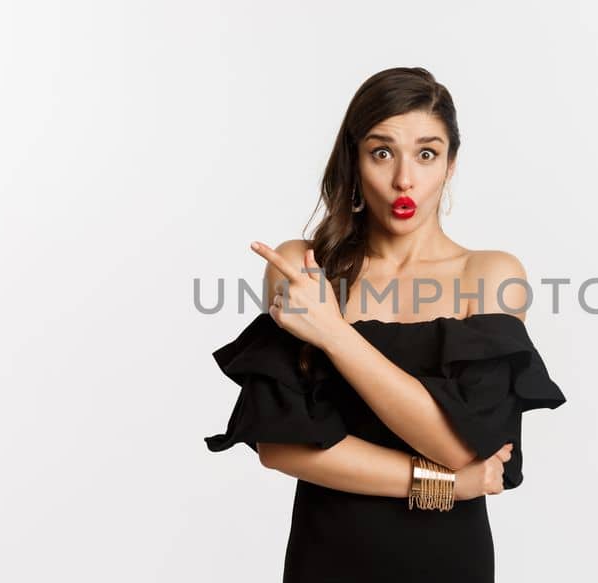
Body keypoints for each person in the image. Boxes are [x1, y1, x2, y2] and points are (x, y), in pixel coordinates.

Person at [204, 67, 567, 582]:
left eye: (426, 153)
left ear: (450, 164)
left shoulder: (489, 273)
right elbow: (281, 446)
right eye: (381, 152)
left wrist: (333, 332)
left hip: (448, 561)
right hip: (327, 557)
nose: (404, 179)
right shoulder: (305, 267)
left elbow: (466, 447)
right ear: (353, 161)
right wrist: (447, 485)